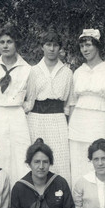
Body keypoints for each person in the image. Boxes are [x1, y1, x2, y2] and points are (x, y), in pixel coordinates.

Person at [68, 29, 105, 186]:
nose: (85, 49)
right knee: (78, 163)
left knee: (99, 159)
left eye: (89, 45)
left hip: (99, 122)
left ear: (97, 46)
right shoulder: (78, 72)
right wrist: (70, 127)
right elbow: (72, 102)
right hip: (78, 125)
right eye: (82, 46)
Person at [0, 25, 34, 185]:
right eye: (2, 42)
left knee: (20, 155)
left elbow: (30, 99)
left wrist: (18, 109)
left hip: (17, 116)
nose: (5, 46)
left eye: (9, 42)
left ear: (16, 44)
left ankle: (20, 195)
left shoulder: (27, 69)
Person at [28, 30, 73, 185]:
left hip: (58, 119)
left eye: (55, 45)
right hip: (36, 118)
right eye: (48, 45)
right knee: (37, 156)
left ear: (60, 48)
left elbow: (69, 102)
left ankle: (60, 197)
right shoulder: (33, 71)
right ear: (42, 47)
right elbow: (29, 99)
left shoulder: (67, 72)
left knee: (59, 159)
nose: (52, 49)